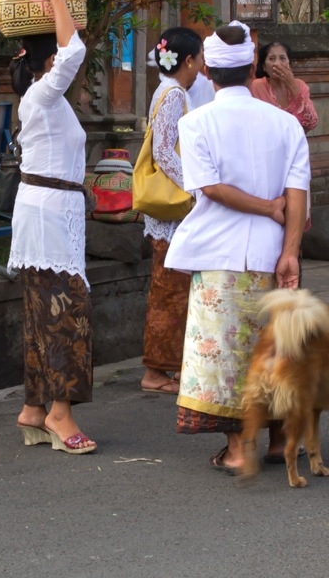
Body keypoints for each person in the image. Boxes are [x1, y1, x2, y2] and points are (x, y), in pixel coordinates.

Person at [165, 21, 309, 474]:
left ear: (206, 70)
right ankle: (279, 439)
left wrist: (266, 208)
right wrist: (289, 251)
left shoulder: (195, 123)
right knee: (276, 348)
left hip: (219, 255)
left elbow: (209, 188)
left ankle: (238, 447)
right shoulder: (286, 124)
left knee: (224, 355)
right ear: (253, 65)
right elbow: (298, 195)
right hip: (273, 253)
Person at [8, 0, 97, 454]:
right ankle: (59, 413)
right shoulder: (41, 95)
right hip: (46, 213)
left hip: (53, 207)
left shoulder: (47, 101)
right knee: (66, 312)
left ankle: (35, 409)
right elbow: (75, 51)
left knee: (45, 312)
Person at [138, 27, 205, 395]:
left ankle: (167, 364)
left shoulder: (165, 90)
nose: (201, 66)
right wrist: (195, 187)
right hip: (172, 210)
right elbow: (164, 151)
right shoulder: (175, 93)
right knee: (170, 290)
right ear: (189, 59)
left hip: (169, 210)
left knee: (172, 288)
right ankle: (156, 369)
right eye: (199, 58)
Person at [250, 39, 319, 133]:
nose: (277, 64)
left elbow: (311, 123)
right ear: (264, 67)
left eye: (282, 58)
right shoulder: (256, 86)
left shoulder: (300, 85)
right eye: (271, 59)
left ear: (290, 64)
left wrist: (291, 84)